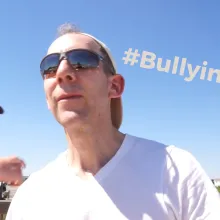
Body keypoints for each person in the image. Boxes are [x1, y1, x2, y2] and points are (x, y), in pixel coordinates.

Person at [6, 23, 220, 220]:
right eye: (50, 66)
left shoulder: (177, 172)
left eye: (81, 61)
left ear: (115, 87)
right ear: (47, 98)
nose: (62, 72)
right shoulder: (30, 196)